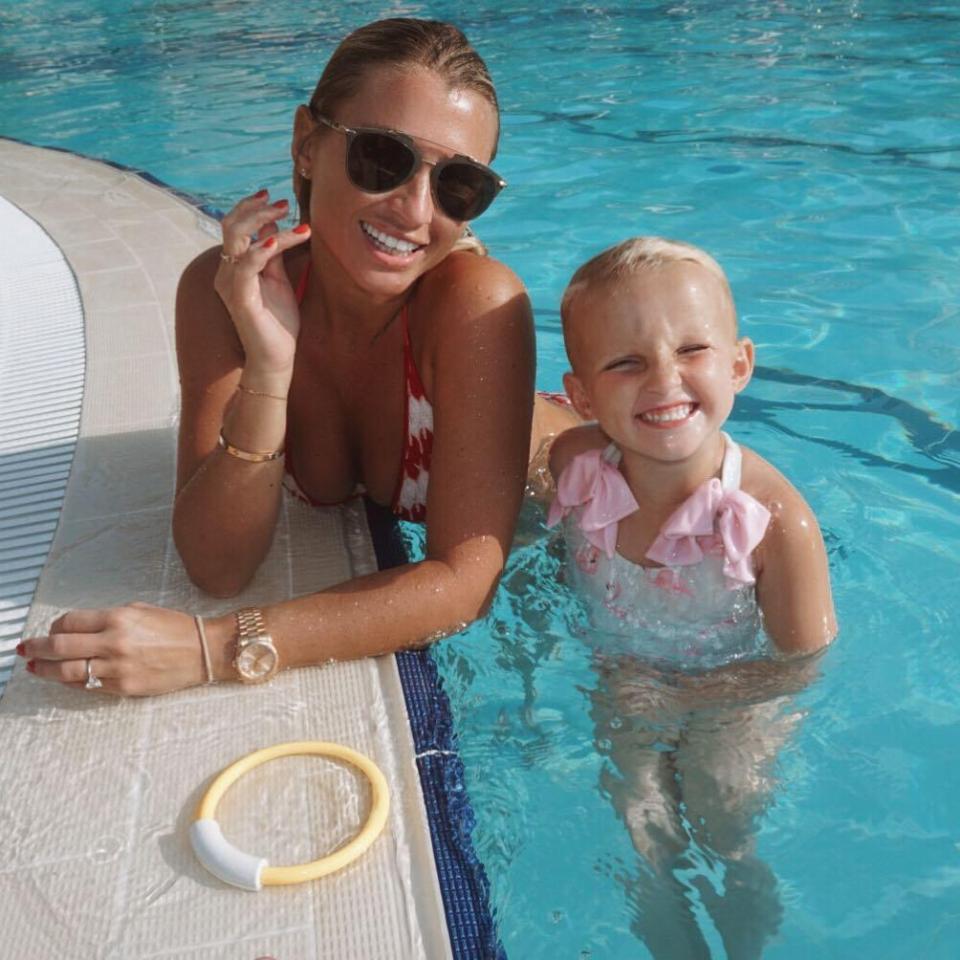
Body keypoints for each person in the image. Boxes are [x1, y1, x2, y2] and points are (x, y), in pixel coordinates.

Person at [17, 18, 538, 695]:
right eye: (384, 157)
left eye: (458, 185)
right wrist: (269, 368)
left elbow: (465, 585)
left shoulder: (474, 307)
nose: (415, 209)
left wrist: (213, 648)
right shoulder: (225, 294)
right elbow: (217, 565)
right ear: (306, 144)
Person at [546, 236, 836, 958]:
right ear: (579, 393)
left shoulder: (777, 522)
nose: (664, 381)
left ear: (739, 364)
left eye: (692, 351)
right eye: (626, 362)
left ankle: (741, 884)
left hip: (735, 695)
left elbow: (804, 665)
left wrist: (695, 696)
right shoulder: (573, 463)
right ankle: (659, 907)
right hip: (628, 679)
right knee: (636, 808)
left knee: (723, 802)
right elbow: (558, 564)